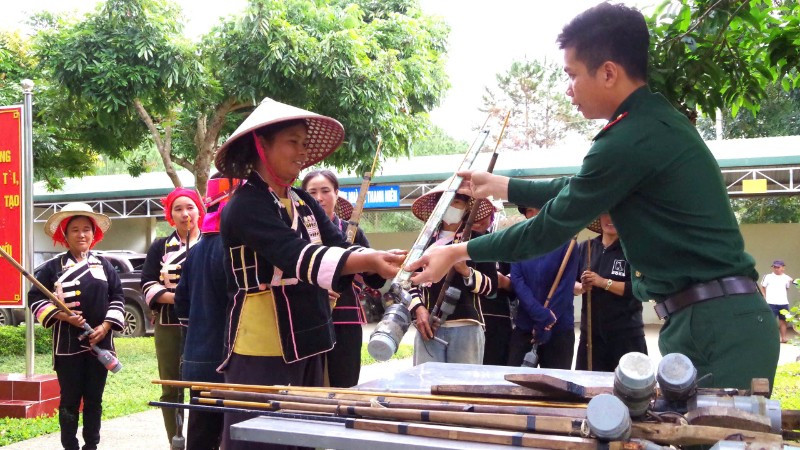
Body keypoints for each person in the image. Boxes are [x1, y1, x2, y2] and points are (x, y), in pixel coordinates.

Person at [407, 2, 779, 390]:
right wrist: (501, 185)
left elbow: (545, 230)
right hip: (708, 319)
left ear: (608, 72)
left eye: (572, 75)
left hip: (717, 327)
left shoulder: (628, 139)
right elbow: (578, 189)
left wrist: (455, 252)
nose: (568, 90)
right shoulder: (649, 123)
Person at [214, 97, 404, 450]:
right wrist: (369, 261)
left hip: (311, 338)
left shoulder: (301, 200)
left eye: (305, 143)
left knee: (304, 437)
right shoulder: (244, 205)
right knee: (260, 440)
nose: (302, 151)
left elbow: (340, 247)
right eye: (292, 142)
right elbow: (297, 256)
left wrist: (384, 264)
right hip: (262, 346)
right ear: (261, 144)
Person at [29, 202, 124, 450]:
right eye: (75, 230)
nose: (81, 235)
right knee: (70, 400)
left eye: (86, 229)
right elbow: (35, 299)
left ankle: (91, 445)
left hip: (100, 343)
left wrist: (106, 326)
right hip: (68, 346)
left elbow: (118, 296)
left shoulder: (105, 265)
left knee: (94, 399)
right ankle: (69, 445)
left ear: (94, 234)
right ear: (65, 234)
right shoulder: (51, 268)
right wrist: (63, 316)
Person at [301, 169, 386, 387]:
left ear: (337, 194)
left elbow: (374, 280)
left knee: (344, 385)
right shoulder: (297, 233)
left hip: (345, 319)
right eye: (312, 192)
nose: (319, 198)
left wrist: (377, 263)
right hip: (308, 320)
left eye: (325, 191)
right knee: (311, 388)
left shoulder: (352, 231)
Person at [174, 175, 239, 450]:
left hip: (198, 357)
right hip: (230, 359)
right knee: (229, 432)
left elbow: (181, 305)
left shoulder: (196, 251)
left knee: (201, 432)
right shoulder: (235, 250)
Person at [407, 182, 497, 365]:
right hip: (429, 325)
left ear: (467, 208)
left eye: (457, 202)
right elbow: (407, 282)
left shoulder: (479, 242)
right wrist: (419, 309)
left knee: (463, 388)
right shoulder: (422, 243)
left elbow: (492, 288)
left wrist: (465, 271)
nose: (451, 207)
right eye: (447, 202)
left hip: (466, 326)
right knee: (426, 387)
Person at [141, 187, 204, 444]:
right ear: (170, 215)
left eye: (190, 207)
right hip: (169, 324)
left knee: (203, 387)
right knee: (171, 389)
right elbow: (147, 283)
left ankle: (203, 443)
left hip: (204, 325)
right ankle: (175, 443)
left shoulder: (212, 242)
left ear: (199, 210)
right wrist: (178, 298)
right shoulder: (160, 247)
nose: (185, 213)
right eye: (178, 209)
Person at [507, 206, 578, 369]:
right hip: (525, 326)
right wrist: (540, 315)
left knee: (556, 388)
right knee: (513, 383)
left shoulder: (567, 243)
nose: (533, 215)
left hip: (559, 327)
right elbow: (517, 281)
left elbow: (565, 288)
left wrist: (547, 322)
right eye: (528, 211)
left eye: (537, 209)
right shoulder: (519, 243)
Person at [575, 214, 646, 371]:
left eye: (616, 214)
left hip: (626, 335)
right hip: (591, 335)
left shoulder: (633, 250)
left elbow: (637, 289)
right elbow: (571, 283)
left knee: (629, 390)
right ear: (599, 218)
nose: (610, 219)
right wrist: (581, 288)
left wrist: (602, 282)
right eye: (605, 214)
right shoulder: (586, 247)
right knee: (587, 388)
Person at [474, 214, 514, 367]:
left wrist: (503, 282)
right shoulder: (455, 244)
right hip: (468, 319)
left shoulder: (502, 245)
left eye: (485, 215)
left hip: (498, 320)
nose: (479, 220)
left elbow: (516, 284)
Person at [760, 260, 794, 343]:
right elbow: (762, 286)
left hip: (783, 303)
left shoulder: (787, 278)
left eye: (778, 267)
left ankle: (783, 338)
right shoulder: (767, 276)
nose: (776, 269)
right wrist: (764, 296)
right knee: (770, 321)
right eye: (774, 267)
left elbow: (787, 288)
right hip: (771, 303)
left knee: (783, 321)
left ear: (783, 268)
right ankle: (770, 339)